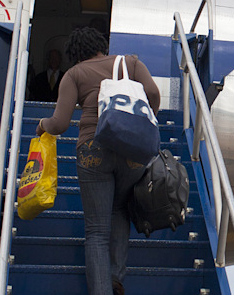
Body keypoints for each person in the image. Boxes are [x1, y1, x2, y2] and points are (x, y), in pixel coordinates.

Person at [36, 27, 160, 295]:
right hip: (131, 151)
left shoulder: (74, 74)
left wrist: (42, 124)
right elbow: (153, 93)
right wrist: (142, 124)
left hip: (94, 149)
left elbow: (59, 123)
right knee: (119, 210)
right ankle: (115, 278)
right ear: (101, 46)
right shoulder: (131, 63)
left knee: (96, 231)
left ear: (75, 54)